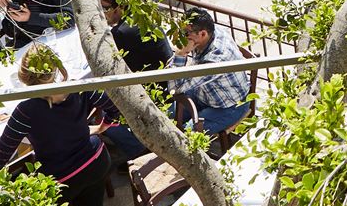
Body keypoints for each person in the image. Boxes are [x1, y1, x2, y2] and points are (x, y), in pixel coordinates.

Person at [0, 46, 117, 206]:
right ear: (55, 67)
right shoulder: (80, 88)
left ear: (25, 77)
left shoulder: (25, 110)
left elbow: (0, 156)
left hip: (61, 179)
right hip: (95, 161)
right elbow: (115, 109)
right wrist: (101, 127)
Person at [103, 10, 249, 161]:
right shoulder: (213, 31)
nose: (180, 37)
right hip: (205, 92)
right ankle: (148, 150)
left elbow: (174, 87)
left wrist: (180, 54)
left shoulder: (214, 61)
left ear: (203, 34)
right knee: (164, 119)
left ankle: (180, 164)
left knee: (184, 136)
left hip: (230, 106)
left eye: (186, 34)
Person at [98, 0, 170, 72]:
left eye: (105, 9)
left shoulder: (120, 32)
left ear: (119, 7)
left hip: (148, 81)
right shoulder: (144, 17)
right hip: (167, 75)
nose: (101, 13)